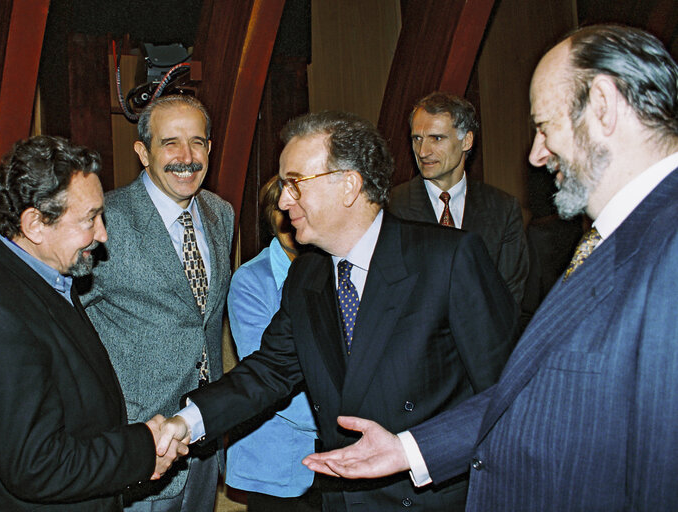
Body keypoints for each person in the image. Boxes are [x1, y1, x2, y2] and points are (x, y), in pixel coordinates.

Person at [303, 24, 678, 511]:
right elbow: (539, 389)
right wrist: (408, 450)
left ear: (603, 105)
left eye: (545, 126)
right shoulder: (621, 236)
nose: (536, 154)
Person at [158, 110, 518, 511]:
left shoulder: (447, 260)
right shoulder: (307, 276)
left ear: (349, 186)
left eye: (295, 184)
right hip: (343, 498)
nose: (283, 199)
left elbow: (508, 396)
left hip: (430, 495)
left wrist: (408, 451)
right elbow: (268, 372)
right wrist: (185, 423)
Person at [0, 135, 186, 511]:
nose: (102, 235)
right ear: (35, 224)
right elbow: (35, 466)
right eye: (90, 219)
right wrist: (142, 450)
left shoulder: (40, 273)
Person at [79, 94, 233, 512]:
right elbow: (66, 326)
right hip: (137, 444)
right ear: (142, 152)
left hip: (204, 438)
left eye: (198, 142)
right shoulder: (103, 219)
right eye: (170, 143)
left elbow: (204, 322)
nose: (187, 157)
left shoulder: (222, 213)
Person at [225, 175, 320, 511]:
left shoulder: (335, 270)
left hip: (337, 459)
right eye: (280, 210)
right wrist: (339, 416)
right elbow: (269, 376)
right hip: (277, 462)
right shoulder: (251, 280)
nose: (289, 219)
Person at [388, 92, 529, 305]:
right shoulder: (390, 207)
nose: (423, 151)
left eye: (436, 138)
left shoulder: (502, 209)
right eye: (417, 139)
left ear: (467, 141)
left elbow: (510, 298)